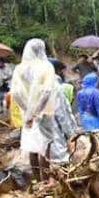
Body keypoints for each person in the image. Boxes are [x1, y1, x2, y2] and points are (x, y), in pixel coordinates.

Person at [11, 38, 64, 183]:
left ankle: (38, 181)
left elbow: (15, 93)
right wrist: (36, 112)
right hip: (44, 111)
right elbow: (47, 92)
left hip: (26, 112)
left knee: (32, 146)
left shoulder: (19, 69)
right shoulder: (46, 67)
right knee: (45, 147)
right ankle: (46, 181)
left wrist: (28, 111)